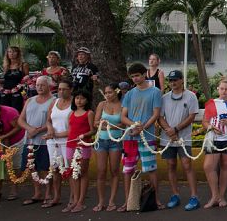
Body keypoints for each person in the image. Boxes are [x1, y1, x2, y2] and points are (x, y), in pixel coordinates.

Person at [120, 62, 163, 210]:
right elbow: (123, 117)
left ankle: (155, 200)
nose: (135, 79)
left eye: (137, 75)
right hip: (129, 138)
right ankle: (127, 201)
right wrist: (134, 126)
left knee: (151, 168)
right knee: (127, 170)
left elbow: (156, 114)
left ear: (144, 74)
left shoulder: (155, 92)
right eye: (132, 77)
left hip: (147, 137)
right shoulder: (129, 94)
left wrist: (142, 128)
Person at [158, 70, 200, 211]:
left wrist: (175, 129)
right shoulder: (164, 98)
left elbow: (191, 116)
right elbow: (160, 117)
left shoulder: (191, 97)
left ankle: (194, 197)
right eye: (171, 80)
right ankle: (175, 195)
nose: (173, 83)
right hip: (168, 138)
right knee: (171, 165)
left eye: (176, 80)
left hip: (184, 138)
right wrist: (169, 131)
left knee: (187, 165)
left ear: (182, 80)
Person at [202, 79, 227, 209]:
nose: (224, 91)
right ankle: (215, 195)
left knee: (225, 166)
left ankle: (221, 196)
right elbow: (205, 122)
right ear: (218, 89)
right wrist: (212, 128)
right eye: (222, 89)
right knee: (208, 167)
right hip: (213, 139)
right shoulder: (212, 103)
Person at [17, 75, 54, 206]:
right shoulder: (30, 100)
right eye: (37, 85)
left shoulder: (53, 101)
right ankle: (37, 193)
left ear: (49, 86)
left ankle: (48, 193)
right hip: (30, 140)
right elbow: (20, 119)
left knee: (45, 167)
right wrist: (30, 128)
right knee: (32, 167)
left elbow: (52, 121)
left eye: (42, 85)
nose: (39, 87)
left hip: (44, 140)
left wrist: (38, 130)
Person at [92, 83, 123, 212]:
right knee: (101, 171)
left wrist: (106, 125)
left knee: (114, 170)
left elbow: (124, 124)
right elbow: (95, 122)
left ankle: (111, 201)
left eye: (110, 92)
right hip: (102, 140)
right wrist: (107, 126)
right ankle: (101, 201)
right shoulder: (102, 104)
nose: (107, 95)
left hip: (116, 141)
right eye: (106, 93)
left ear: (117, 92)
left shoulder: (122, 105)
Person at [64, 89, 95, 213]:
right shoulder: (71, 113)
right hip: (70, 145)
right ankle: (75, 200)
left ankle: (81, 201)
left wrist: (84, 135)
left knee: (82, 172)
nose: (79, 100)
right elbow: (70, 129)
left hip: (83, 145)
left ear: (87, 100)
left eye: (82, 98)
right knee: (73, 172)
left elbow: (93, 130)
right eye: (77, 98)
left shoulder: (89, 113)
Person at [43, 80, 72, 208]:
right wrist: (50, 129)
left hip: (67, 141)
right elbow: (48, 120)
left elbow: (74, 127)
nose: (61, 91)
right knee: (55, 169)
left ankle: (73, 197)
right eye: (59, 89)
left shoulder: (74, 104)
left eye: (64, 89)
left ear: (70, 89)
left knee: (70, 169)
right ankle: (57, 196)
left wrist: (56, 135)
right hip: (53, 142)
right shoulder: (54, 102)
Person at [1, 45, 28, 113]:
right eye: (9, 52)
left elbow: (27, 80)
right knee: (5, 111)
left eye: (14, 52)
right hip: (6, 92)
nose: (11, 54)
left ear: (18, 53)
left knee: (16, 111)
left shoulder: (23, 65)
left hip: (18, 92)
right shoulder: (6, 66)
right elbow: (6, 80)